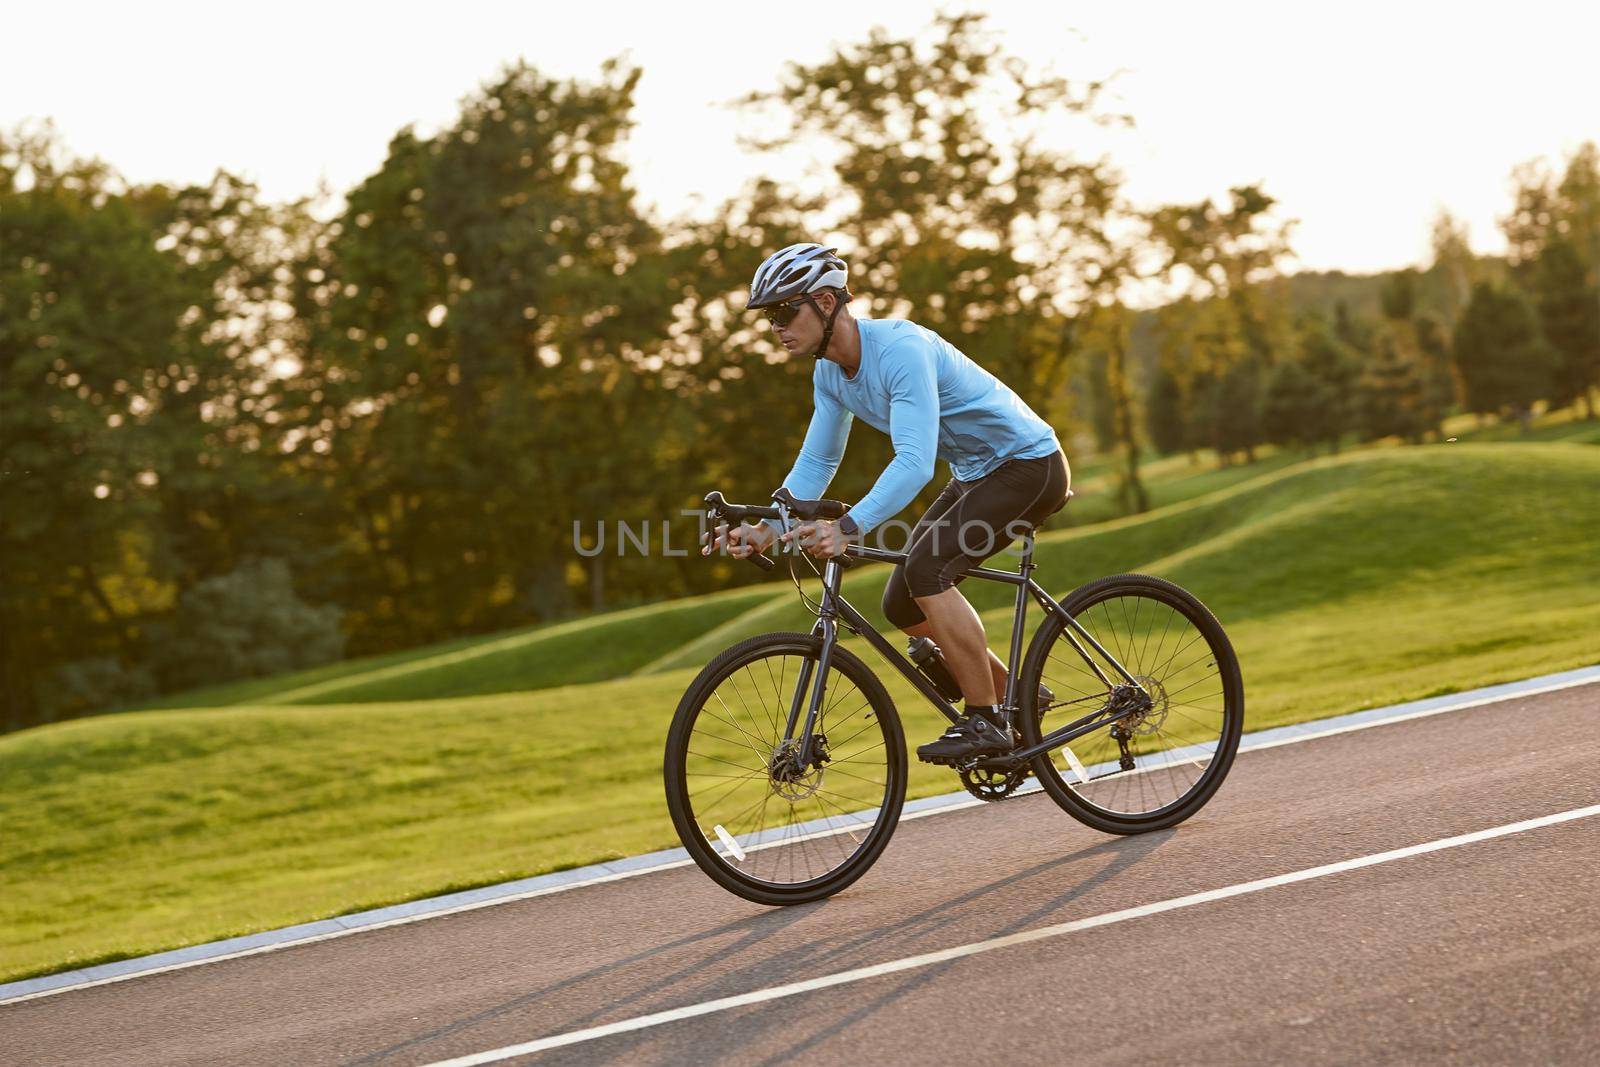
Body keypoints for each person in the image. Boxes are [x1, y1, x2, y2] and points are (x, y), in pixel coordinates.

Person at [703, 242, 1071, 764]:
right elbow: (816, 464)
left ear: (827, 303)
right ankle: (1022, 696)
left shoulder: (899, 348)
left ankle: (986, 719)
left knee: (928, 568)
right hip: (975, 473)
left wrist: (849, 527)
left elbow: (915, 461)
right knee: (899, 602)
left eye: (785, 311)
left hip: (1030, 466)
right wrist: (769, 527)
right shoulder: (829, 373)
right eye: (770, 318)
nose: (776, 327)